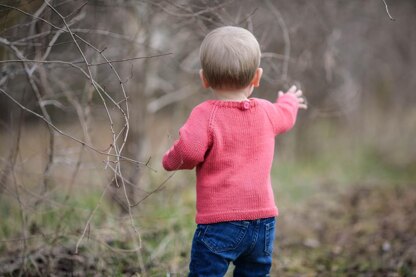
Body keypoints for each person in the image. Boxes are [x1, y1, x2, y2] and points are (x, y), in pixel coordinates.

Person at [162, 26, 307, 276]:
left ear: (204, 78)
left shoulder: (205, 114)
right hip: (263, 222)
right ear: (257, 77)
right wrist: (290, 101)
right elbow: (286, 116)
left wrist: (169, 161)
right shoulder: (265, 111)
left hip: (219, 222)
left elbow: (189, 151)